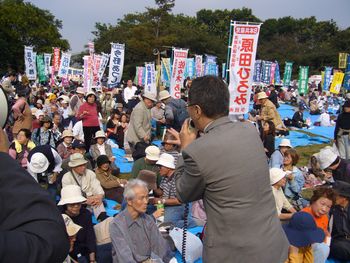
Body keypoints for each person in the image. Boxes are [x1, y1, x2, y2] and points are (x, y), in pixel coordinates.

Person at [175, 76, 289, 262]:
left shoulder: (197, 151)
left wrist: (185, 149)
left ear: (196, 110)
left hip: (234, 253)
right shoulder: (249, 130)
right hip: (271, 243)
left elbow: (182, 193)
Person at [0, 129, 69, 263]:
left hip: (52, 169)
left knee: (52, 190)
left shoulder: (52, 153)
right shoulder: (31, 159)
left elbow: (58, 163)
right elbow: (31, 177)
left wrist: (55, 173)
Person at [109, 179, 172, 262]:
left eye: (147, 197)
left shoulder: (148, 220)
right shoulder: (116, 225)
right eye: (141, 198)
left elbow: (160, 248)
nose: (146, 202)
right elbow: (126, 259)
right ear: (129, 201)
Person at [153, 153, 195, 228]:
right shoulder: (165, 177)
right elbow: (161, 192)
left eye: (160, 166)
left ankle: (192, 222)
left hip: (180, 205)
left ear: (168, 167)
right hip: (169, 203)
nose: (159, 169)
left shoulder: (177, 178)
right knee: (153, 214)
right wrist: (153, 185)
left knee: (165, 223)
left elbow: (179, 201)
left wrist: (161, 201)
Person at [61, 153, 107, 221]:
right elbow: (69, 198)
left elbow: (97, 187)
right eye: (80, 166)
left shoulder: (90, 173)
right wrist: (85, 201)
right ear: (73, 167)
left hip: (93, 200)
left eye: (84, 165)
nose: (83, 167)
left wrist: (99, 196)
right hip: (77, 204)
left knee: (98, 203)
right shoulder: (67, 178)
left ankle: (102, 218)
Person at [59, 185, 97, 263]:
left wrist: (92, 260)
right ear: (65, 204)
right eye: (72, 204)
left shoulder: (86, 214)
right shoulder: (59, 217)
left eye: (78, 203)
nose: (76, 206)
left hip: (84, 250)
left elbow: (90, 237)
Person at [302, 187, 337, 263]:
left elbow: (326, 232)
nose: (324, 209)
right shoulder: (303, 216)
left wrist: (327, 242)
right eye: (322, 204)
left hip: (316, 249)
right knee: (323, 248)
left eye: (328, 207)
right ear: (313, 200)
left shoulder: (324, 218)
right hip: (302, 251)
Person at [329, 180, 350, 261]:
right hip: (339, 240)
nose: (332, 198)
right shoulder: (333, 209)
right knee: (338, 248)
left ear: (344, 198)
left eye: (335, 196)